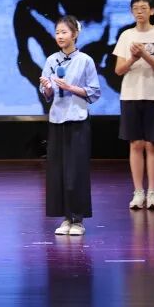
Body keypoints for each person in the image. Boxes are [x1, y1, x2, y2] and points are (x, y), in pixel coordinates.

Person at [39, 15, 101, 236]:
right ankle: (66, 218)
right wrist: (47, 87)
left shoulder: (85, 60)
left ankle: (78, 219)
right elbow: (47, 93)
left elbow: (94, 92)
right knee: (58, 171)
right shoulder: (51, 60)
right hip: (57, 120)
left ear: (74, 34)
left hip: (77, 120)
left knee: (76, 171)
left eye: (64, 32)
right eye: (57, 33)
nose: (60, 36)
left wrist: (70, 87)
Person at [113, 0, 154, 210]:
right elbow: (119, 70)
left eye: (143, 8)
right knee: (136, 144)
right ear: (132, 12)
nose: (139, 11)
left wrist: (144, 55)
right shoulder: (126, 35)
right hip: (130, 95)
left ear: (152, 11)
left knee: (152, 145)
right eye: (136, 8)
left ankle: (152, 192)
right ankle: (138, 192)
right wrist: (133, 58)